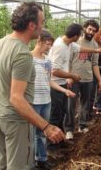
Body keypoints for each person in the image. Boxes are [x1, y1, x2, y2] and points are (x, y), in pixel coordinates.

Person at [0, 2, 64, 170]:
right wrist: (46, 126)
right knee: (18, 166)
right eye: (42, 22)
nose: (42, 26)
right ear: (32, 25)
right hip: (14, 121)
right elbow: (16, 98)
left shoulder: (1, 42)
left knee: (1, 163)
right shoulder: (23, 54)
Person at [48, 23, 101, 149]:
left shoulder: (69, 44)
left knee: (61, 113)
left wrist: (96, 50)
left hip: (62, 83)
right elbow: (54, 70)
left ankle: (59, 140)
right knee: (57, 114)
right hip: (55, 85)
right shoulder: (59, 47)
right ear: (76, 36)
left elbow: (81, 49)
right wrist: (72, 76)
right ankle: (52, 145)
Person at [31, 30, 75, 170]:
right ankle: (30, 162)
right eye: (47, 44)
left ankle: (42, 160)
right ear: (39, 40)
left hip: (46, 101)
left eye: (50, 44)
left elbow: (49, 81)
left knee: (43, 133)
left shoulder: (47, 60)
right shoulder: (28, 58)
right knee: (31, 135)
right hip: (33, 103)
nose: (49, 47)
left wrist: (64, 90)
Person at [64, 20, 101, 140]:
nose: (91, 32)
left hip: (88, 79)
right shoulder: (75, 42)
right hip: (74, 78)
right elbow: (68, 61)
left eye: (94, 31)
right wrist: (68, 76)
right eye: (89, 29)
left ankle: (82, 125)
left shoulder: (95, 45)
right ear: (85, 28)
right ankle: (69, 129)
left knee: (85, 104)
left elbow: (95, 64)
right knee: (70, 105)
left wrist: (100, 80)